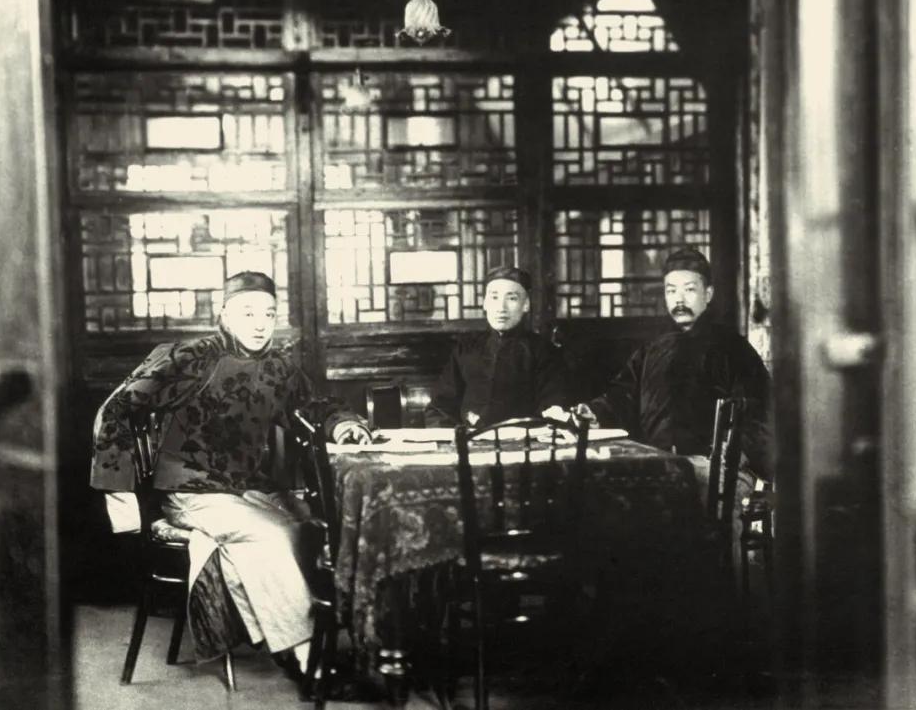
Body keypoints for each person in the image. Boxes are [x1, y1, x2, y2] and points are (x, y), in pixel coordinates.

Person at [90, 271, 370, 687]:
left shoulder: (279, 367)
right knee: (270, 534)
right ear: (223, 314)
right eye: (248, 312)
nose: (260, 324)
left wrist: (343, 424)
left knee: (315, 524)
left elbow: (314, 405)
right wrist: (123, 501)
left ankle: (315, 640)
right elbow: (115, 410)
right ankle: (306, 659)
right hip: (190, 490)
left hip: (248, 488)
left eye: (269, 314)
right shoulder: (188, 358)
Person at [548, 247, 771, 504]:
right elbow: (622, 395)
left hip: (716, 468)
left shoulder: (732, 347)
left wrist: (729, 453)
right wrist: (594, 411)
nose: (679, 299)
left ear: (708, 294)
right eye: (671, 290)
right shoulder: (652, 348)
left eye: (689, 290)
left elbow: (759, 410)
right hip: (657, 462)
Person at [425, 265, 569, 428]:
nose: (501, 308)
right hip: (470, 439)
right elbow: (440, 406)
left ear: (526, 305)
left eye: (512, 298)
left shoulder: (543, 351)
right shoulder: (466, 349)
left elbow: (553, 406)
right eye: (494, 297)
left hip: (525, 439)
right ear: (485, 304)